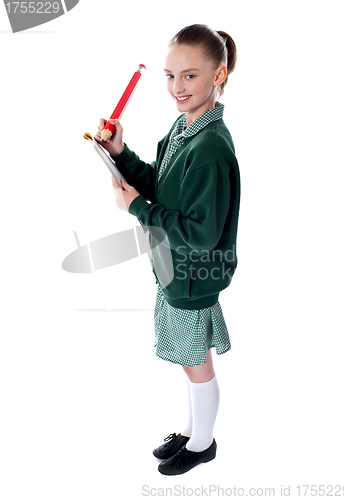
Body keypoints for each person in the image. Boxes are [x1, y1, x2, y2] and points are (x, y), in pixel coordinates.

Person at [94, 24, 240, 475]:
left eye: (190, 76)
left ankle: (202, 444)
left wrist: (138, 207)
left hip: (195, 272)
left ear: (219, 75)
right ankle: (195, 431)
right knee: (188, 361)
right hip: (176, 267)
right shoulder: (185, 127)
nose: (178, 87)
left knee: (197, 365)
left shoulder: (211, 147)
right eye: (169, 75)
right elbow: (162, 183)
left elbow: (200, 233)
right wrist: (120, 153)